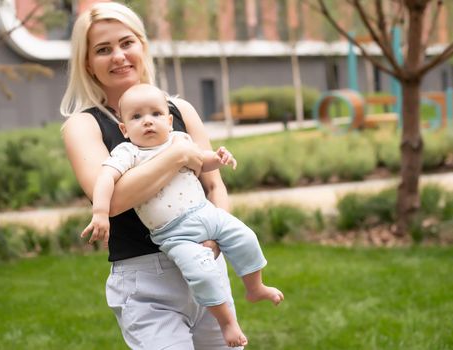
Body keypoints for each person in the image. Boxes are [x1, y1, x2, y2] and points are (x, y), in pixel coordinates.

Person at [59, 2, 248, 349]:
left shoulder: (179, 111)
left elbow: (214, 185)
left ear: (142, 46)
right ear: (88, 62)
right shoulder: (83, 125)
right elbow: (112, 202)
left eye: (126, 43)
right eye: (103, 49)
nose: (118, 56)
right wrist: (176, 155)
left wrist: (216, 239)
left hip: (204, 265)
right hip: (146, 282)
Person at [81, 83, 284, 347]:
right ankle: (227, 324)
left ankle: (255, 287)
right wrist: (99, 213)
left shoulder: (179, 140)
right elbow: (106, 179)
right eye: (136, 117)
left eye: (155, 114)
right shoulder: (128, 153)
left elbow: (203, 161)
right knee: (202, 274)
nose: (147, 122)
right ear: (124, 129)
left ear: (168, 120)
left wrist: (219, 157)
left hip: (207, 213)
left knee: (245, 236)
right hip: (174, 233)